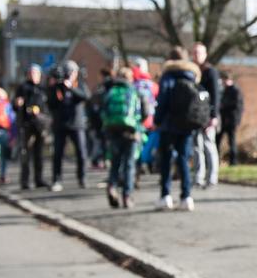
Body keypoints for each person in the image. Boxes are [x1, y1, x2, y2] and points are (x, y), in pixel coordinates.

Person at [154, 46, 204, 211]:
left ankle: (165, 196)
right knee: (183, 159)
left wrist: (157, 119)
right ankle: (186, 197)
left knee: (167, 160)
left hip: (169, 124)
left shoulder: (168, 76)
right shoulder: (192, 76)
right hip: (187, 124)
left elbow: (163, 99)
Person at [101, 67, 148, 209]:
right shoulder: (134, 92)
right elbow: (145, 112)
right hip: (131, 132)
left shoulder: (110, 92)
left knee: (115, 163)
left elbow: (102, 111)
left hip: (113, 131)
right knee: (129, 165)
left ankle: (112, 186)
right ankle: (127, 196)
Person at [48, 60, 90, 192]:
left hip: (77, 124)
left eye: (73, 72)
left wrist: (71, 87)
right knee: (58, 154)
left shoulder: (79, 85)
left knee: (82, 153)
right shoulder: (57, 86)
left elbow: (86, 97)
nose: (70, 75)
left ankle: (82, 178)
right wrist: (54, 86)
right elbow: (50, 104)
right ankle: (56, 179)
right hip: (60, 124)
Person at [15, 64, 49, 190]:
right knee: (26, 153)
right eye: (31, 73)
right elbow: (16, 107)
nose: (33, 76)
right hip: (26, 124)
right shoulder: (23, 88)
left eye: (36, 73)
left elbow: (47, 107)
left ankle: (39, 179)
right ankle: (25, 181)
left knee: (39, 153)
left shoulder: (42, 89)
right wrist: (18, 104)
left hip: (40, 125)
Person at [191, 42, 221, 189]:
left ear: (205, 54)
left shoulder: (210, 72)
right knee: (197, 147)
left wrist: (214, 115)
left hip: (207, 115)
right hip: (195, 116)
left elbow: (216, 95)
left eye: (199, 52)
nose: (197, 55)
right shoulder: (192, 72)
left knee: (209, 145)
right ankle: (199, 176)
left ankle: (212, 176)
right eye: (194, 52)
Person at [87, 68, 113, 169]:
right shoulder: (111, 87)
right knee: (104, 142)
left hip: (100, 120)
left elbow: (92, 104)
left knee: (100, 142)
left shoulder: (101, 89)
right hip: (107, 119)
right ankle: (103, 160)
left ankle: (98, 160)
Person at [219, 71, 244, 166]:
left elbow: (236, 106)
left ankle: (233, 162)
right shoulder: (224, 90)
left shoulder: (235, 90)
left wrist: (223, 105)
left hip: (231, 120)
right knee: (218, 140)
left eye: (224, 80)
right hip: (223, 120)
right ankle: (217, 160)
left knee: (231, 141)